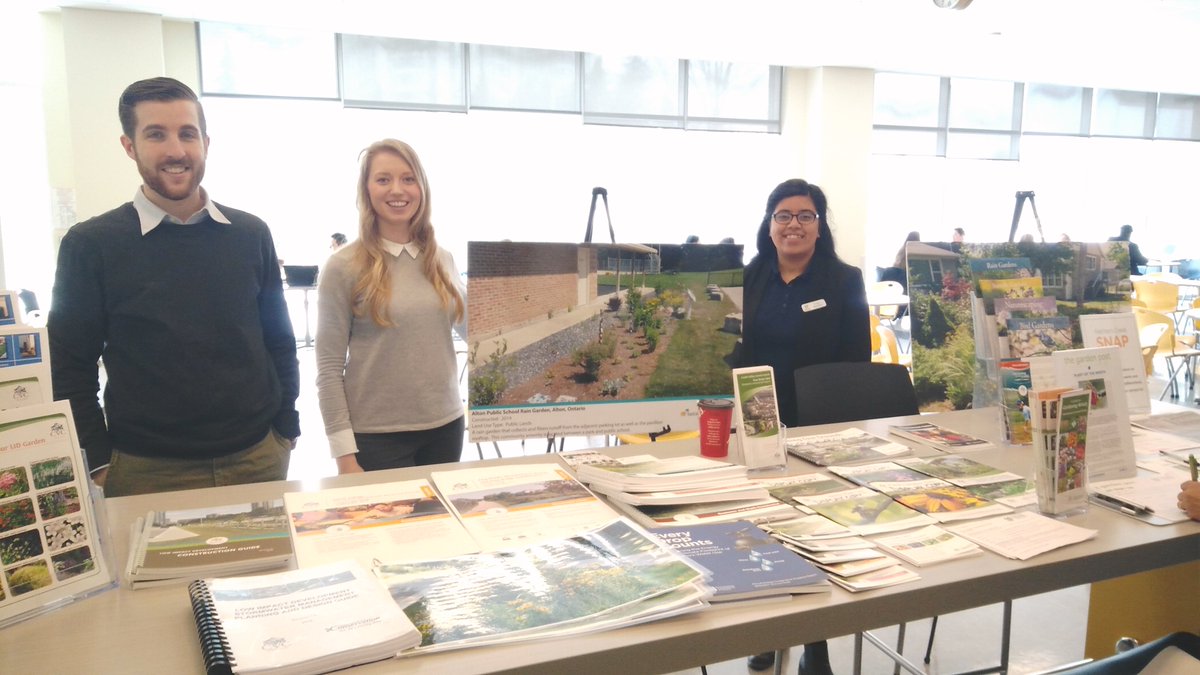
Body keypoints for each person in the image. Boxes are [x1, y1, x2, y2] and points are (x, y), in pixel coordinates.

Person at [48, 77, 300, 497]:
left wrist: (286, 427)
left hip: (258, 459)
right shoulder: (91, 245)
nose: (176, 151)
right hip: (146, 472)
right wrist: (97, 460)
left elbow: (279, 340)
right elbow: (70, 368)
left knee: (265, 567)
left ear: (205, 141)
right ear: (129, 146)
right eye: (156, 135)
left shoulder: (251, 234)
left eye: (187, 134)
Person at [737, 178, 870, 675]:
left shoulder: (843, 280)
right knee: (762, 531)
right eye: (784, 215)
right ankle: (770, 629)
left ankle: (815, 644)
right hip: (758, 424)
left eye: (805, 215)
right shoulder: (748, 278)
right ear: (769, 225)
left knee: (815, 533)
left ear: (820, 225)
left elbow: (858, 358)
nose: (794, 224)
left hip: (822, 426)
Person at [316, 139, 467, 473]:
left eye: (408, 178)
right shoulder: (343, 266)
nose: (397, 189)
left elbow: (480, 333)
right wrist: (344, 456)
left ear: (422, 188)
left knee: (438, 526)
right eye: (383, 179)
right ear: (367, 189)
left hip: (446, 427)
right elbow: (328, 370)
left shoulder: (443, 260)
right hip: (376, 438)